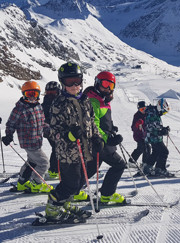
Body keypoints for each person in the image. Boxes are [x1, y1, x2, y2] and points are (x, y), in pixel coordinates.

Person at [44, 62, 104, 221]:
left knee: (78, 184)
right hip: (68, 154)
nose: (74, 85)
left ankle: (64, 203)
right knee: (70, 184)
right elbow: (54, 131)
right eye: (70, 82)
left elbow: (92, 122)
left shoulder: (85, 99)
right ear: (62, 82)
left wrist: (97, 137)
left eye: (77, 80)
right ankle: (52, 208)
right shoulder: (59, 103)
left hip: (85, 150)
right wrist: (69, 135)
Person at [82, 70, 127, 204]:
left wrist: (110, 128)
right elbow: (93, 124)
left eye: (111, 86)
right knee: (119, 165)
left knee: (91, 169)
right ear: (97, 83)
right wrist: (108, 138)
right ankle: (107, 195)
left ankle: (73, 190)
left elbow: (103, 119)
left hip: (100, 141)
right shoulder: (94, 100)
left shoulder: (101, 99)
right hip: (100, 142)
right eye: (105, 84)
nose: (107, 88)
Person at [2, 81, 53, 193]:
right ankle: (36, 184)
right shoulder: (20, 109)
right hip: (28, 142)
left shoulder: (38, 106)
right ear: (23, 94)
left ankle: (22, 183)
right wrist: (8, 135)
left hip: (37, 141)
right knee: (44, 163)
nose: (31, 97)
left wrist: (49, 130)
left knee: (32, 162)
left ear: (38, 95)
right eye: (28, 94)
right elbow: (11, 123)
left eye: (34, 94)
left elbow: (42, 122)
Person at [142, 98, 172, 177]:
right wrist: (160, 132)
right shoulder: (152, 113)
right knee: (164, 151)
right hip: (153, 137)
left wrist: (163, 129)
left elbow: (155, 125)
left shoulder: (154, 112)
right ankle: (160, 169)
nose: (164, 113)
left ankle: (147, 168)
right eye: (164, 111)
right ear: (160, 107)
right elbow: (149, 127)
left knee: (156, 152)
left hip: (154, 137)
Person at [41, 81, 60, 179]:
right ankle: (53, 170)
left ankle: (56, 169)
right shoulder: (45, 104)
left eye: (53, 92)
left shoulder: (61, 101)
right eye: (49, 92)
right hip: (49, 130)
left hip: (58, 129)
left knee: (58, 148)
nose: (51, 95)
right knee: (57, 148)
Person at [129, 101, 150, 166]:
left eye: (144, 108)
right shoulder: (137, 116)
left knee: (146, 148)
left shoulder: (147, 114)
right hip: (138, 135)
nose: (143, 110)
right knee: (143, 148)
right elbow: (133, 128)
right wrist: (137, 124)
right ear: (138, 109)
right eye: (141, 109)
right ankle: (133, 162)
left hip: (145, 135)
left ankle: (144, 162)